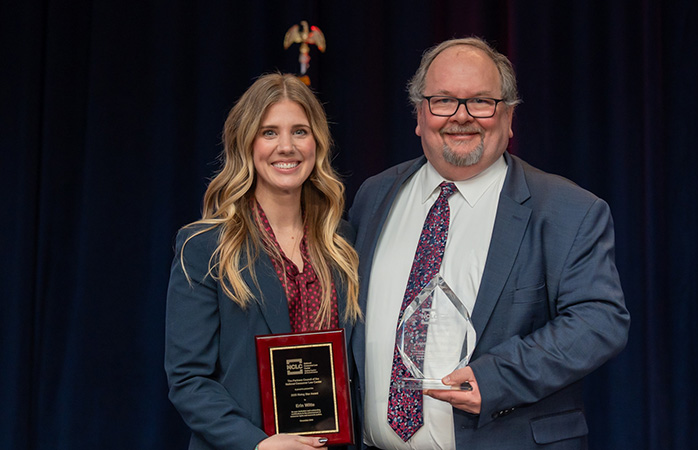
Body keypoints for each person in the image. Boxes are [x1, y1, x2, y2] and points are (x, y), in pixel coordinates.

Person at [348, 37, 630, 449]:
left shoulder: (568, 210)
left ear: (509, 115)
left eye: (481, 101)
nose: (461, 117)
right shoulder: (374, 196)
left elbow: (600, 320)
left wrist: (499, 376)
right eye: (443, 101)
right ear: (419, 114)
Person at [165, 73, 362, 450]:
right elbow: (189, 379)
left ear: (317, 143)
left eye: (299, 131)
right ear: (247, 143)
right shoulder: (205, 246)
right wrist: (257, 444)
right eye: (269, 132)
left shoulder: (343, 241)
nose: (286, 146)